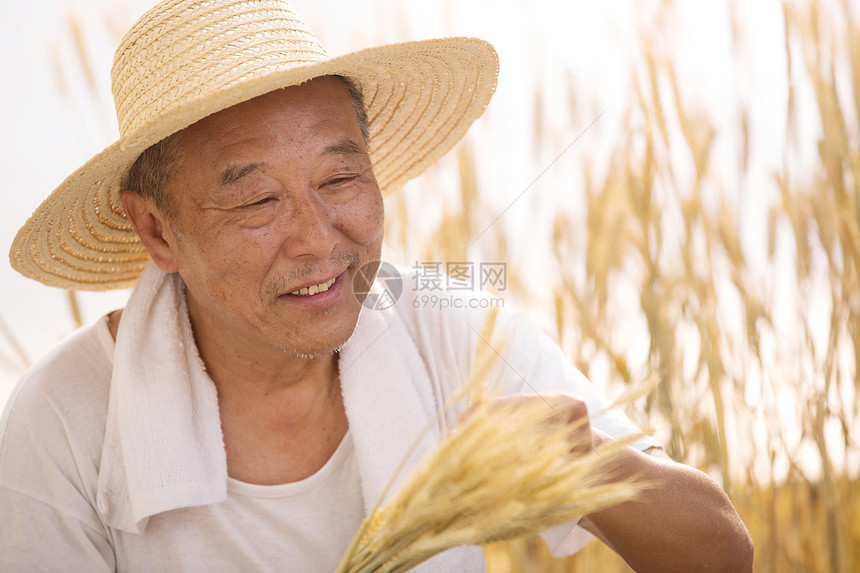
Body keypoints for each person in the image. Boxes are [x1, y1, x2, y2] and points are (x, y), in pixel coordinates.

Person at [1, 0, 753, 571]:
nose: (320, 236)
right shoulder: (63, 425)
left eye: (340, 177)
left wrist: (595, 464)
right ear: (157, 231)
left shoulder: (457, 332)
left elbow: (723, 552)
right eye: (258, 200)